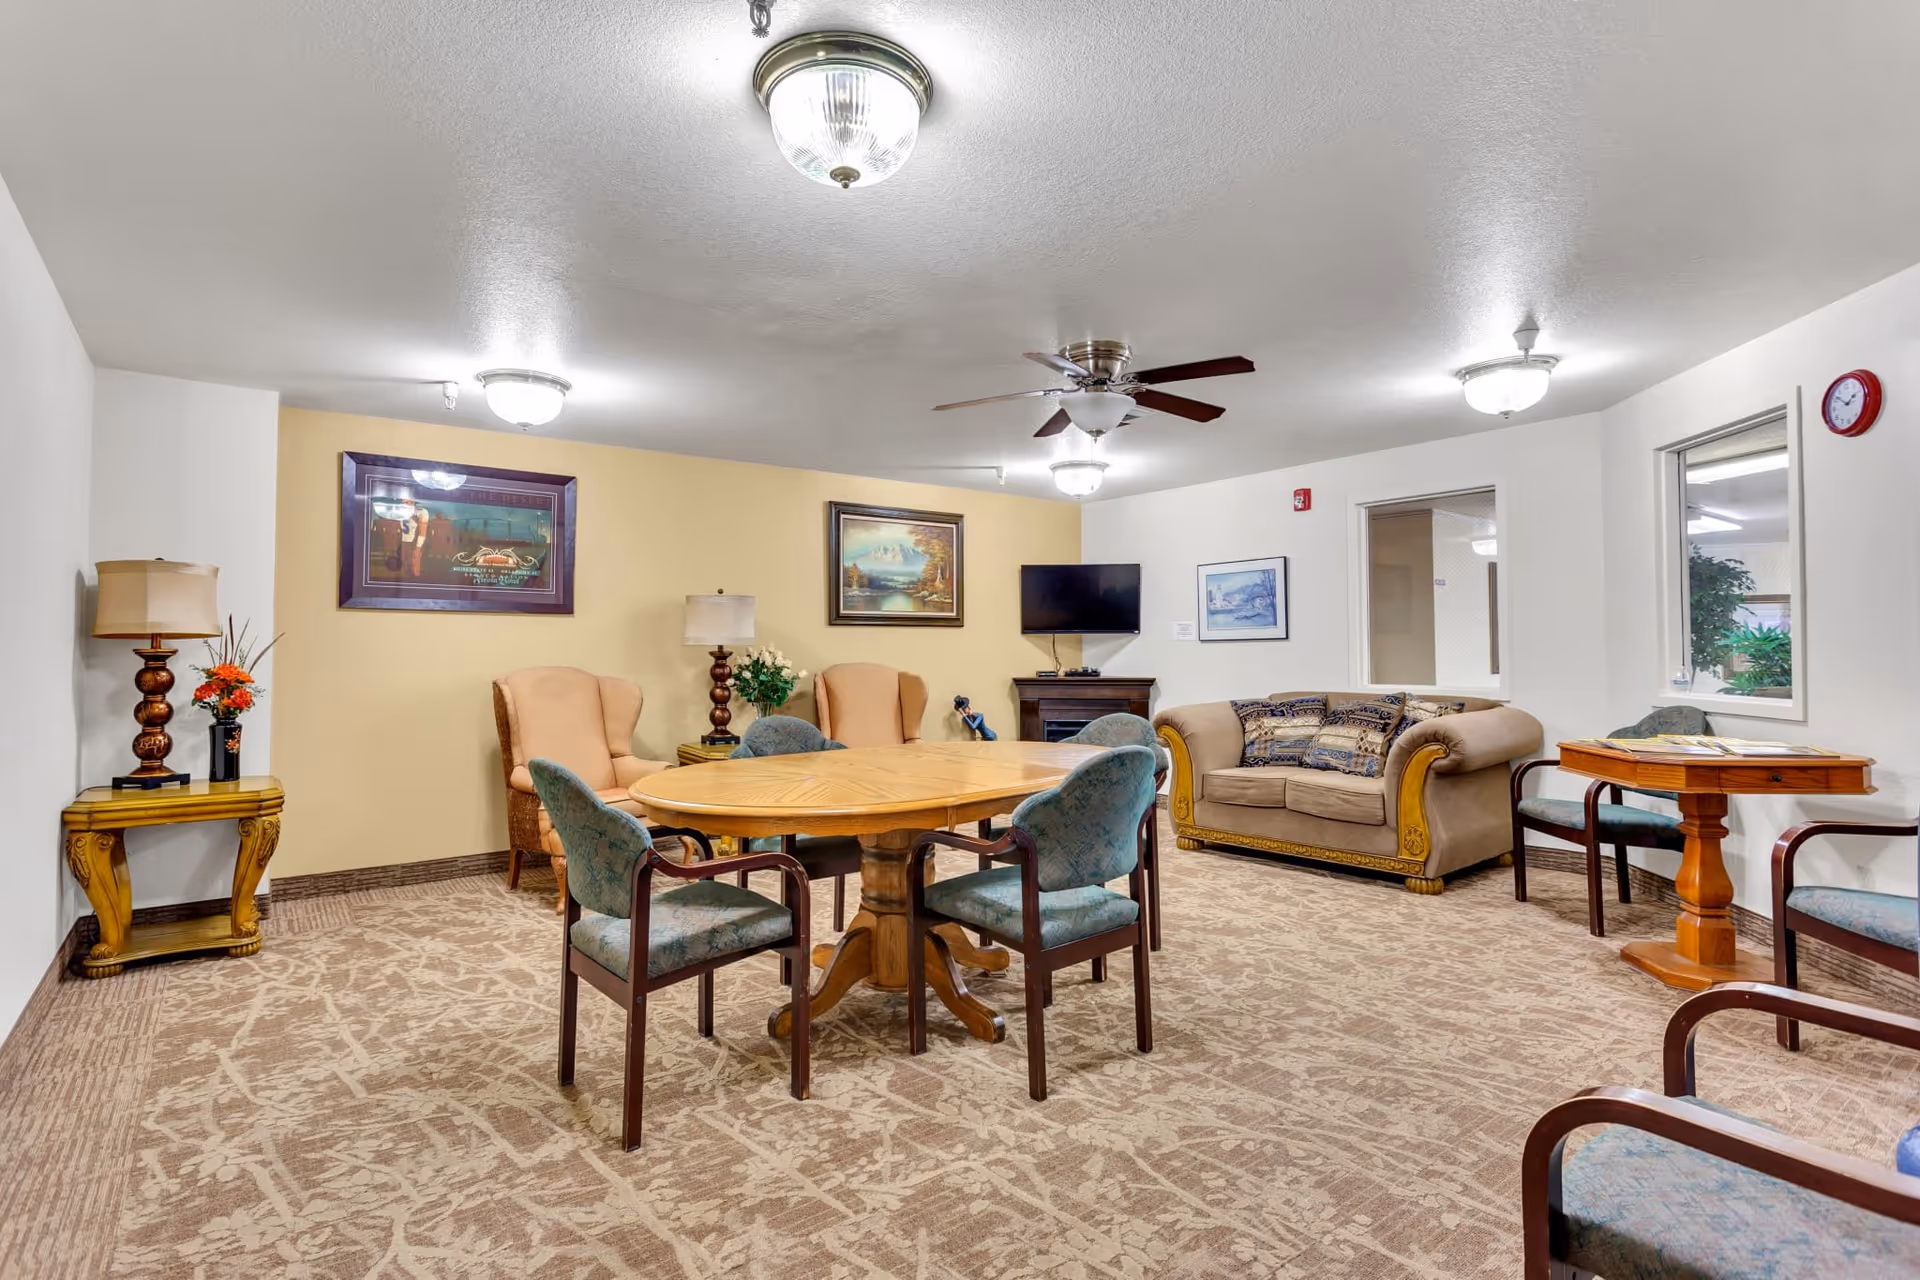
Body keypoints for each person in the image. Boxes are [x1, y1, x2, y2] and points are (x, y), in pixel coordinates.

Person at [400, 505, 430, 578]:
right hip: (412, 540)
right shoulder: (416, 516)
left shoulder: (405, 515)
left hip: (408, 540)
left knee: (409, 557)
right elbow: (420, 530)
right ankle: (414, 573)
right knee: (413, 558)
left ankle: (412, 572)